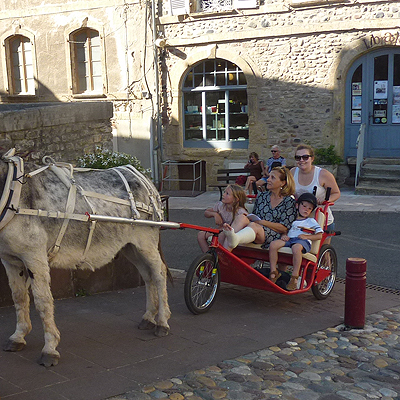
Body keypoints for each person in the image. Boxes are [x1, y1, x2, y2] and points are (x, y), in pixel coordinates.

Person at [222, 166, 296, 251]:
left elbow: (284, 228)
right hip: (255, 228)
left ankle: (235, 239)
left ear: (282, 183)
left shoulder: (288, 201)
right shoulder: (262, 196)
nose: (268, 180)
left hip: (274, 234)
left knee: (254, 226)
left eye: (272, 178)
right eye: (268, 177)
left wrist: (262, 222)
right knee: (242, 217)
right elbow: (255, 215)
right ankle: (223, 256)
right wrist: (249, 217)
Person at [268, 193, 323, 291]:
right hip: (289, 239)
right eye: (304, 206)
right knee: (273, 244)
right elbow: (285, 229)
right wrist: (284, 235)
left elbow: (319, 235)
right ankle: (273, 271)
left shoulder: (311, 221)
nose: (306, 209)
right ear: (297, 205)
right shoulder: (292, 218)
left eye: (309, 208)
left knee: (296, 247)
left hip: (302, 241)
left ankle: (294, 276)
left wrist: (306, 236)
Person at [290, 144, 340, 233]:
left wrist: (325, 199)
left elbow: (336, 193)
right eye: (298, 158)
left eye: (305, 157)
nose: (301, 160)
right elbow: (288, 191)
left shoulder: (323, 174)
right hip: (300, 220)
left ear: (312, 158)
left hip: (321, 220)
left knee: (320, 247)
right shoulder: (293, 172)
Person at [197, 184, 248, 252]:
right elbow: (206, 212)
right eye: (224, 192)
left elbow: (246, 224)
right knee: (200, 235)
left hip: (231, 234)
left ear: (235, 199)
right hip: (220, 230)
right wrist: (215, 214)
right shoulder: (221, 206)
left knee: (222, 235)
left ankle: (220, 256)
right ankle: (209, 258)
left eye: (227, 194)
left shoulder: (240, 211)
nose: (223, 195)